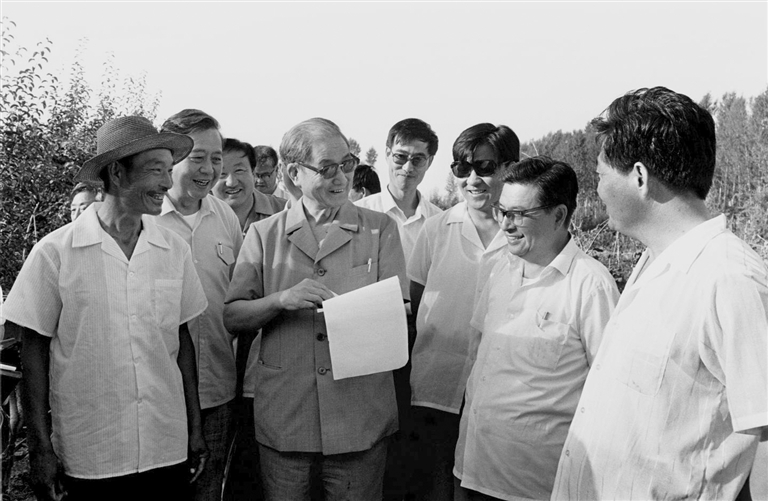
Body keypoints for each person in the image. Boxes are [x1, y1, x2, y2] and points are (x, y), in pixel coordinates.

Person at [551, 87, 768, 500]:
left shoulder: (729, 279)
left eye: (600, 176)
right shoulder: (654, 262)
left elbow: (765, 431)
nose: (597, 191)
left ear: (639, 177)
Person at [4, 116, 209, 501]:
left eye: (169, 170)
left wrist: (194, 429)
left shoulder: (174, 251)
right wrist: (40, 448)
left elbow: (181, 341)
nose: (167, 183)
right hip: (92, 453)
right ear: (116, 172)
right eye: (155, 170)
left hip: (165, 446)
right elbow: (33, 352)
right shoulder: (56, 253)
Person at [223, 117, 406, 501]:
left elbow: (398, 312)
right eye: (326, 168)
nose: (341, 177)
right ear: (294, 173)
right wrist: (280, 300)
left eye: (347, 163)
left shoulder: (380, 230)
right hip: (287, 416)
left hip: (359, 418)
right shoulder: (264, 234)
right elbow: (233, 316)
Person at [454, 156, 619, 501]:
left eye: (519, 214)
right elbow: (477, 357)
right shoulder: (499, 269)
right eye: (502, 211)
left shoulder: (590, 286)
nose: (505, 225)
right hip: (471, 469)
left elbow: (611, 394)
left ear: (558, 215)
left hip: (535, 486)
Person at [406, 123, 520, 500]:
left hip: (498, 394)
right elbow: (417, 302)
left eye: (485, 167)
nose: (472, 179)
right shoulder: (435, 230)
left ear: (511, 168)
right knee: (434, 483)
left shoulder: (525, 238)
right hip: (434, 388)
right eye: (462, 168)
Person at [157, 109, 243, 501]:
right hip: (160, 396)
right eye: (197, 158)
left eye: (216, 158)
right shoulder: (145, 220)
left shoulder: (225, 217)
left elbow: (241, 294)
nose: (209, 170)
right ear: (170, 158)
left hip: (218, 390)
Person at [355, 118, 442, 500]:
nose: (408, 167)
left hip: (418, 339)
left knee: (410, 437)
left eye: (418, 159)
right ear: (387, 154)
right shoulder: (359, 213)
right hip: (368, 339)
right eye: (400, 157)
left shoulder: (439, 221)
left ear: (429, 162)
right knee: (371, 437)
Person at [214, 138, 286, 236]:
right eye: (221, 173)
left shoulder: (284, 211)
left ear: (253, 172)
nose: (231, 183)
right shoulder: (197, 216)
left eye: (239, 170)